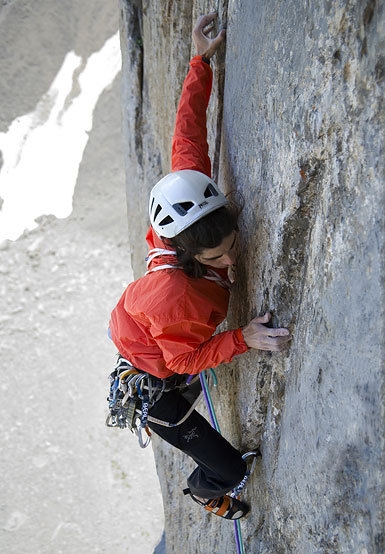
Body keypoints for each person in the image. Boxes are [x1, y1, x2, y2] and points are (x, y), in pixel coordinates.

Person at [109, 12, 291, 520]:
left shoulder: (190, 210)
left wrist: (199, 61)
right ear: (187, 254)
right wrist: (243, 339)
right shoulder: (173, 298)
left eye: (231, 244)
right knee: (230, 469)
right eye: (216, 259)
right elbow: (182, 363)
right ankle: (207, 493)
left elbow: (189, 137)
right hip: (158, 381)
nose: (231, 260)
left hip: (150, 336)